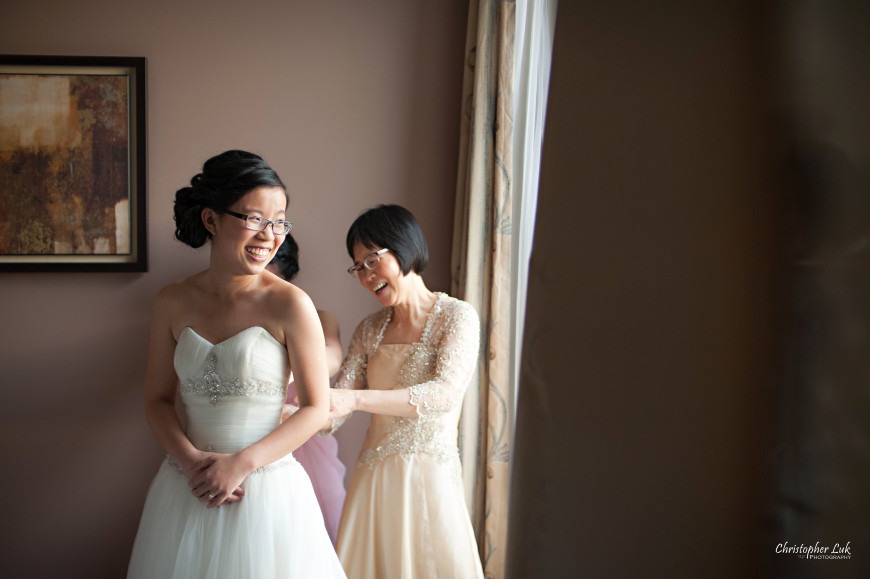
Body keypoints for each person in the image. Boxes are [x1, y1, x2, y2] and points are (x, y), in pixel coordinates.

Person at [127, 150, 346, 578]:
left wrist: (241, 464)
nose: (270, 235)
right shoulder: (172, 301)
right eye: (255, 219)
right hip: (185, 486)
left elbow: (316, 408)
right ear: (211, 220)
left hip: (265, 492)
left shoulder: (292, 304)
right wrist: (190, 461)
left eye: (280, 220)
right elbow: (156, 400)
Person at [328, 204, 485, 578]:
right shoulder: (370, 329)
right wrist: (294, 411)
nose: (366, 276)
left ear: (404, 246)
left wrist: (356, 399)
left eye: (371, 260)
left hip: (429, 481)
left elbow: (443, 395)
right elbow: (336, 407)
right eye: (357, 267)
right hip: (373, 487)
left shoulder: (457, 316)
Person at [267, 236, 347, 544]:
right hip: (253, 431)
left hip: (305, 430)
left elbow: (332, 358)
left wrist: (266, 376)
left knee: (322, 515)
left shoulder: (319, 317)